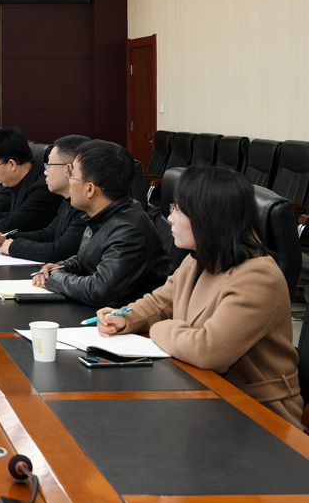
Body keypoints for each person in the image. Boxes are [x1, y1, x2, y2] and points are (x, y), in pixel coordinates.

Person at [97, 166, 304, 429]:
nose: (170, 218)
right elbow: (160, 303)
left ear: (209, 217)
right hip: (205, 395)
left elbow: (208, 351)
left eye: (178, 210)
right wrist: (125, 317)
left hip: (257, 414)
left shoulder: (258, 277)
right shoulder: (199, 259)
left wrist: (161, 328)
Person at [33, 140, 170, 307]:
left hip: (126, 318)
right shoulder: (102, 213)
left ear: (90, 189)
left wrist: (55, 279)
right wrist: (60, 267)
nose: (68, 181)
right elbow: (86, 258)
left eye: (72, 175)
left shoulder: (129, 230)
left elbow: (100, 291)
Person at [0, 134, 90, 262]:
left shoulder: (85, 206)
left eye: (49, 165)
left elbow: (60, 252)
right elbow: (48, 235)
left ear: (68, 169)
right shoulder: (68, 200)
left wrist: (13, 246)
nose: (45, 172)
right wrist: (5, 238)